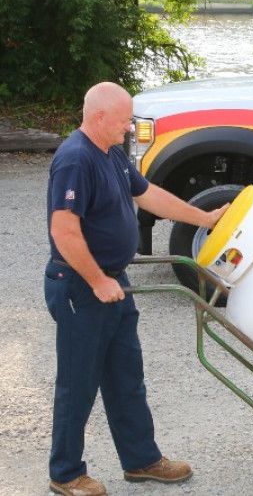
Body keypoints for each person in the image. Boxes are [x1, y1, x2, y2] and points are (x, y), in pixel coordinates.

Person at [44, 82, 229, 496]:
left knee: (126, 375)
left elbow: (148, 195)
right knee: (78, 383)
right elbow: (64, 230)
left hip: (113, 282)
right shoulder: (75, 159)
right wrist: (97, 280)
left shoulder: (112, 153)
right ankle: (66, 473)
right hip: (79, 285)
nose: (130, 127)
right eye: (125, 120)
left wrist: (203, 218)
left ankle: (141, 459)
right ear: (100, 117)